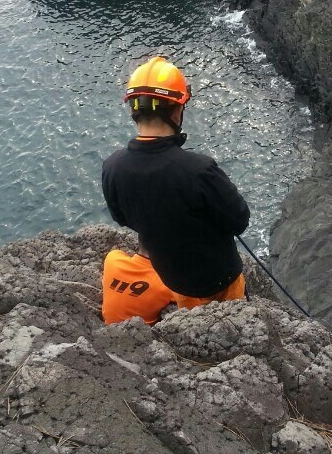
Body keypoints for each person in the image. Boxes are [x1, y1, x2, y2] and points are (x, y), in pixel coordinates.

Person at [101, 56, 251, 310]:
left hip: (174, 280)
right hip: (220, 279)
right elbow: (239, 220)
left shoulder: (113, 166)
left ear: (133, 110)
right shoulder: (199, 169)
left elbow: (123, 218)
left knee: (192, 322)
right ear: (177, 109)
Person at [102, 244, 176, 325]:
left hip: (108, 325)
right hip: (143, 332)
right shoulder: (168, 282)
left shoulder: (113, 259)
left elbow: (118, 253)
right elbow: (190, 308)